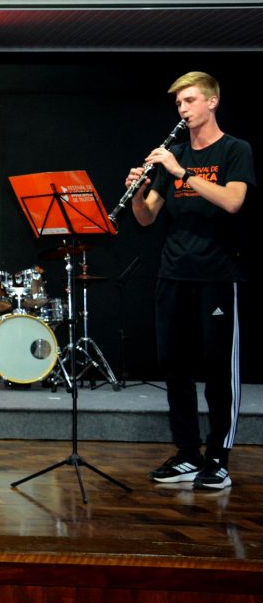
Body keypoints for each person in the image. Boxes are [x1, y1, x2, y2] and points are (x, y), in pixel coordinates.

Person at [128, 72, 253, 491]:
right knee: (175, 370)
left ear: (212, 102)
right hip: (172, 274)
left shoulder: (235, 150)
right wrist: (141, 189)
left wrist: (181, 173)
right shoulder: (174, 153)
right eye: (179, 103)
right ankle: (187, 453)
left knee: (219, 371)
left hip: (217, 275)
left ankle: (218, 459)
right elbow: (147, 217)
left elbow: (233, 201)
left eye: (190, 101)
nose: (183, 109)